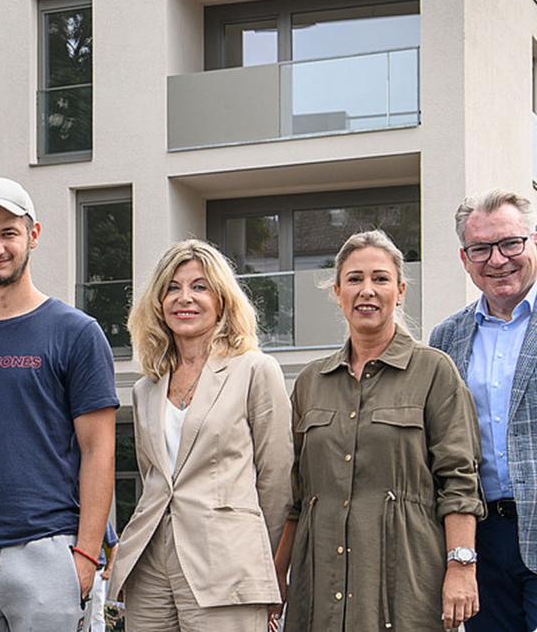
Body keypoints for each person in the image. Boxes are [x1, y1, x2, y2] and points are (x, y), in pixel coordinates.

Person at [0, 177, 118, 632]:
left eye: (9, 233)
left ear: (33, 235)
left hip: (48, 546)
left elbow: (99, 449)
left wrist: (86, 554)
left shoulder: (76, 332)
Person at [281, 229, 483, 632]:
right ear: (337, 292)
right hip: (319, 585)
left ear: (400, 291)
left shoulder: (434, 371)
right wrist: (277, 574)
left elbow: (459, 480)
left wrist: (461, 567)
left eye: (380, 278)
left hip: (405, 585)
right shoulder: (309, 382)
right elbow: (296, 496)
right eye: (354, 279)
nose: (367, 290)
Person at [106, 239, 291, 631]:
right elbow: (153, 477)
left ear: (221, 301)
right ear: (158, 303)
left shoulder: (255, 370)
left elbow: (277, 480)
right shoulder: (145, 388)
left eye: (199, 287)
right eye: (172, 288)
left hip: (227, 564)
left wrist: (262, 562)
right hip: (150, 561)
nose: (184, 298)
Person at [430, 189, 537, 632]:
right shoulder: (445, 339)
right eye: (481, 249)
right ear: (464, 258)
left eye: (510, 243)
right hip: (480, 542)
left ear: (534, 242)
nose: (497, 260)